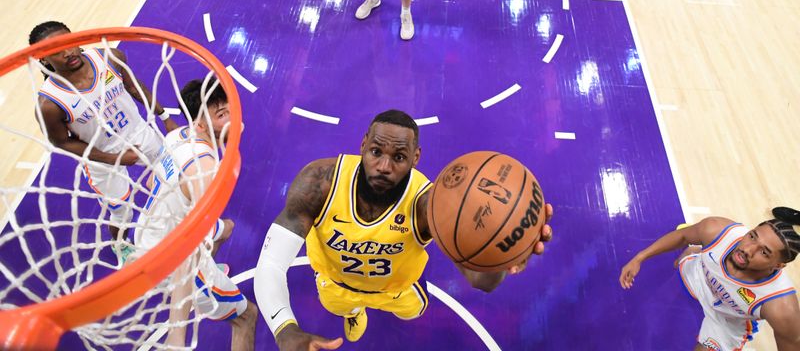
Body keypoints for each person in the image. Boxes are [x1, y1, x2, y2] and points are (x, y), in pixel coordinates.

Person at [254, 109, 553, 350]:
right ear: (362, 146)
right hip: (337, 286)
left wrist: (504, 254)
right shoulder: (320, 183)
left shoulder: (429, 205)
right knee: (343, 307)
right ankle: (355, 312)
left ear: (415, 158)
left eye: (398, 157)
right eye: (375, 152)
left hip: (398, 291)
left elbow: (481, 281)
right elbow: (271, 264)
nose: (384, 166)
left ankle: (370, 308)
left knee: (411, 312)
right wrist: (284, 329)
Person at [29, 21, 177, 262]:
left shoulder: (109, 57)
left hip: (140, 133)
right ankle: (121, 245)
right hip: (102, 158)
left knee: (173, 181)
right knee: (122, 213)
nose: (69, 52)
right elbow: (62, 143)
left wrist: (165, 117)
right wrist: (115, 158)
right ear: (44, 59)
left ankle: (180, 223)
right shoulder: (49, 104)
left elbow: (133, 86)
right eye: (57, 50)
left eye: (69, 43)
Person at [134, 78, 257, 350]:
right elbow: (185, 253)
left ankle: (207, 268)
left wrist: (229, 125)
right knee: (248, 316)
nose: (233, 117)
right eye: (222, 114)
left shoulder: (177, 135)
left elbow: (149, 182)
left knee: (226, 227)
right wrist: (177, 333)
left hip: (149, 229)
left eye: (231, 109)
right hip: (171, 254)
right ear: (201, 124)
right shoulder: (206, 171)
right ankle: (201, 284)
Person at [619, 210, 800, 351]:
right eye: (752, 236)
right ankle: (695, 251)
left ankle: (697, 251)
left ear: (778, 266)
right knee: (648, 321)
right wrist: (639, 258)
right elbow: (682, 236)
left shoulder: (781, 306)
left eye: (764, 252)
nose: (748, 249)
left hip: (726, 319)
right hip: (696, 277)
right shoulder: (717, 230)